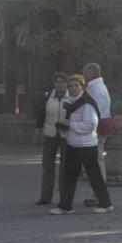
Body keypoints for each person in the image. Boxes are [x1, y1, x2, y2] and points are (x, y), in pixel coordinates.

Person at [50, 74, 113, 215]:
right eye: (71, 86)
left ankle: (105, 203)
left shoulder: (87, 103)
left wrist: (70, 124)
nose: (72, 88)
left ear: (82, 87)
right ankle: (65, 206)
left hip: (87, 146)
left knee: (94, 176)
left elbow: (90, 125)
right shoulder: (73, 102)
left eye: (76, 86)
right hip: (74, 145)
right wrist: (65, 128)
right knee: (69, 177)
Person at [33, 72, 70, 205]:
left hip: (66, 136)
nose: (60, 84)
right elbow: (41, 116)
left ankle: (64, 197)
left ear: (66, 84)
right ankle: (45, 197)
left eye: (62, 82)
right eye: (57, 82)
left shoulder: (71, 97)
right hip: (50, 134)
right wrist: (36, 135)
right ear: (54, 84)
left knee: (65, 167)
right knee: (47, 166)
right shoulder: (48, 97)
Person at [81, 62, 112, 206]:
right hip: (97, 128)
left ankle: (99, 194)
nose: (83, 75)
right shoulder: (97, 87)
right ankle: (97, 193)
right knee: (96, 161)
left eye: (85, 72)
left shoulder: (96, 89)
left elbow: (96, 112)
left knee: (98, 161)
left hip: (96, 130)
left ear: (92, 74)